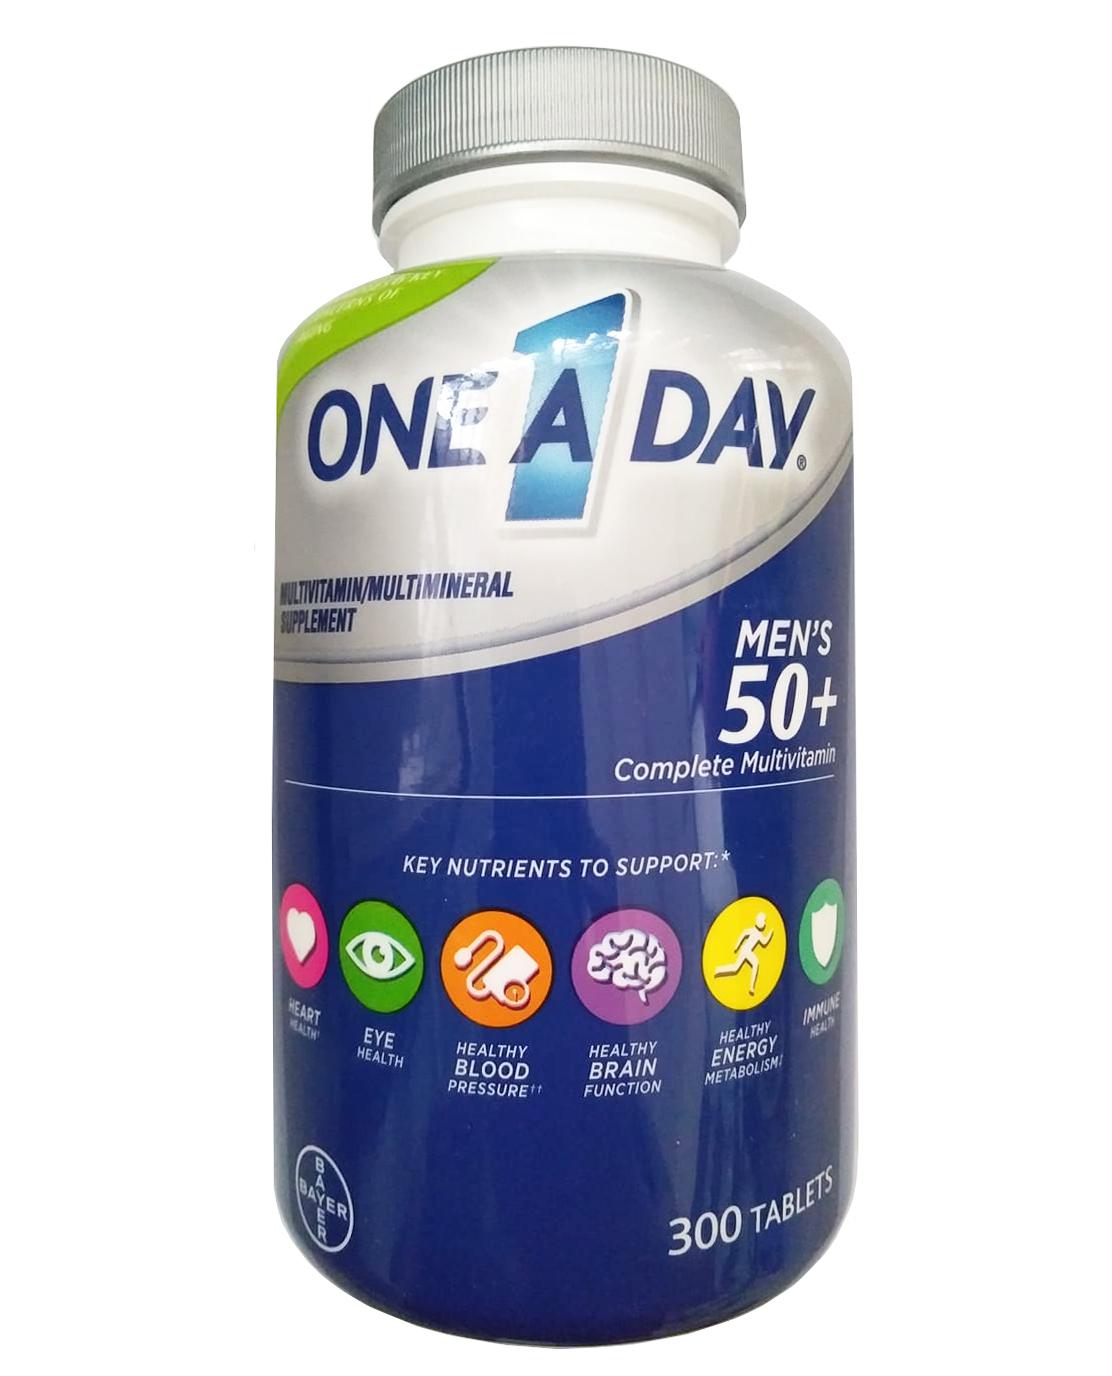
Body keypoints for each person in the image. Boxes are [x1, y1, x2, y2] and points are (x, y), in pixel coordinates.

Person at [715, 912, 773, 995]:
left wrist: (770, 934)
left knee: (741, 966)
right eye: (763, 921)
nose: (764, 923)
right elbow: (743, 934)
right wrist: (737, 945)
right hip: (745, 950)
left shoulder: (759, 934)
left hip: (747, 951)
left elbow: (764, 941)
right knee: (743, 966)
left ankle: (751, 987)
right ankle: (751, 987)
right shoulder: (752, 930)